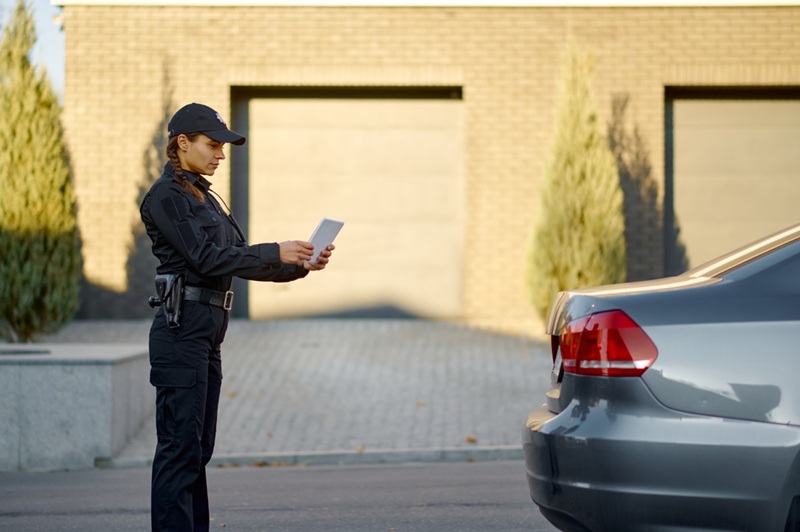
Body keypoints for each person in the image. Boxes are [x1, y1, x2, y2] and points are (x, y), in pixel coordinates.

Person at [139, 102, 334, 532]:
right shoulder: (166, 197)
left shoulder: (205, 198)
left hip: (206, 335)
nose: (220, 155)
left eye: (222, 147)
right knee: (179, 451)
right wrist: (274, 250)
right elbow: (206, 258)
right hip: (181, 333)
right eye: (213, 145)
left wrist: (298, 264)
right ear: (182, 142)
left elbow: (235, 262)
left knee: (198, 450)